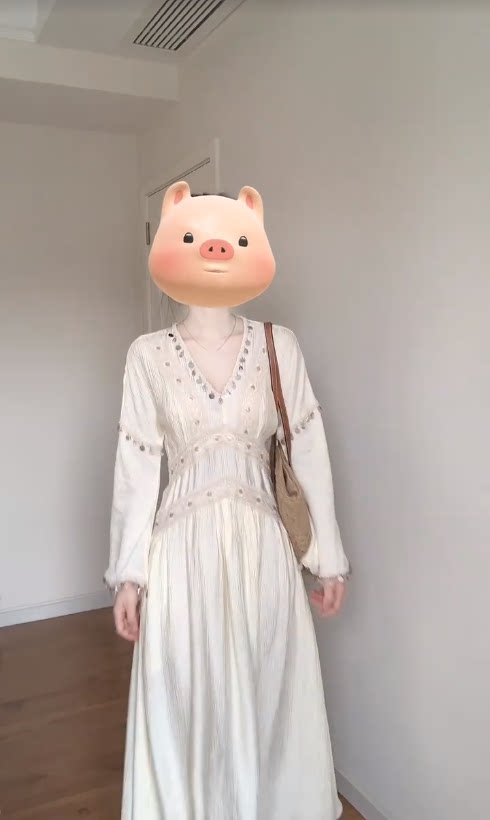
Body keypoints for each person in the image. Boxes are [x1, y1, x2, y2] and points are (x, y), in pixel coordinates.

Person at [105, 181, 351, 819]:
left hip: (262, 553)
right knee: (186, 698)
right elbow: (137, 462)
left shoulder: (278, 345)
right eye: (194, 236)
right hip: (180, 557)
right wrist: (129, 575)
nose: (214, 249)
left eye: (233, 238)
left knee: (267, 696)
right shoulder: (147, 356)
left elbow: (308, 448)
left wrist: (328, 558)